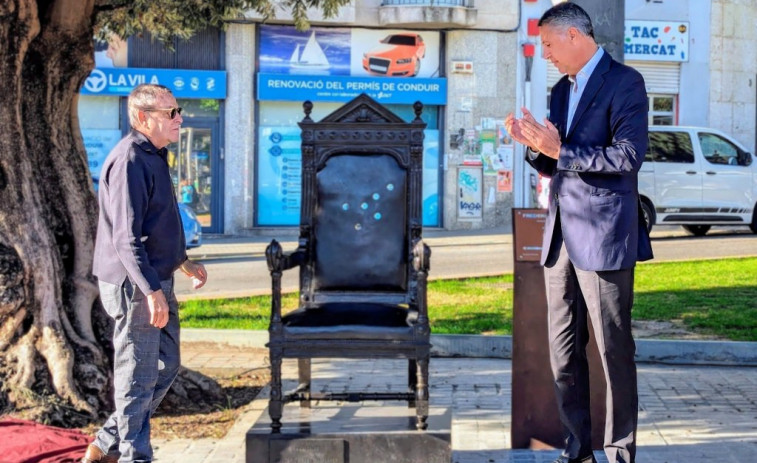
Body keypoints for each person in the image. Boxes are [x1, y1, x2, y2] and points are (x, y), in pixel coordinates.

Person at [505, 4, 653, 463]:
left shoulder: (626, 82)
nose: (544, 53)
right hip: (559, 240)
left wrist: (559, 149)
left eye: (548, 43)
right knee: (563, 355)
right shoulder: (558, 92)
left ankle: (620, 453)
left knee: (613, 352)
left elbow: (627, 157)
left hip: (605, 236)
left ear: (574, 35)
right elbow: (558, 162)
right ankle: (576, 451)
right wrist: (535, 149)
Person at [85, 84, 208, 463]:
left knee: (165, 366)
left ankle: (106, 443)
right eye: (170, 113)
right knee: (137, 375)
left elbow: (160, 220)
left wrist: (182, 260)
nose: (179, 118)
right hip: (135, 285)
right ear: (142, 117)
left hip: (157, 279)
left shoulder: (155, 155)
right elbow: (126, 237)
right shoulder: (130, 161)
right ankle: (134, 456)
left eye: (178, 110)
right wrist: (151, 290)